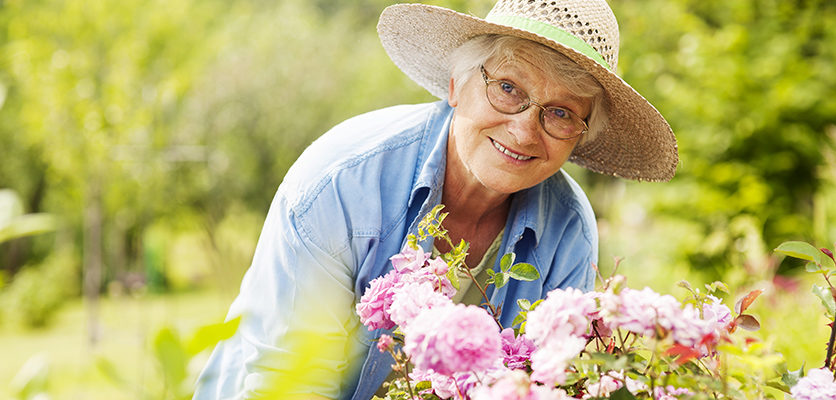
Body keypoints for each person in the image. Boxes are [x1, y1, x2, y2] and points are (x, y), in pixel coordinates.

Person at [193, 0, 678, 399]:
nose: (526, 129)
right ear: (457, 86)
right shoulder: (343, 181)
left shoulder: (568, 230)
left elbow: (550, 384)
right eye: (508, 88)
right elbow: (289, 381)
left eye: (561, 113)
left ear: (580, 136)